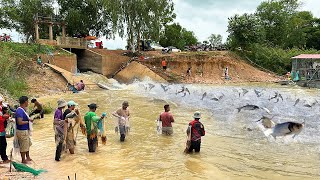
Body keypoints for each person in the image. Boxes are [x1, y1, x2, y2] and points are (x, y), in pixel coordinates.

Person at [15, 96, 33, 164]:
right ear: (25, 102)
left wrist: (28, 120)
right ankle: (23, 160)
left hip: (24, 130)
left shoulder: (22, 109)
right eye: (27, 101)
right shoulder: (19, 111)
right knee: (23, 145)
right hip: (22, 131)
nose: (28, 103)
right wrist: (28, 121)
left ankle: (27, 157)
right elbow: (20, 122)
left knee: (27, 144)